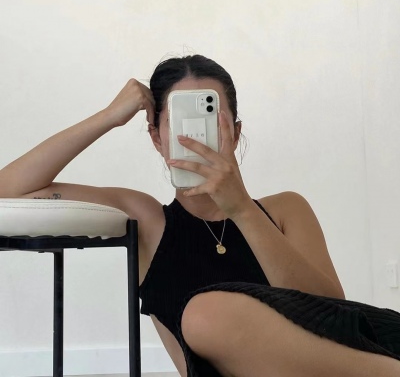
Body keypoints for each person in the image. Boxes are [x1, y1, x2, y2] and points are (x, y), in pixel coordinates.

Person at [0, 55, 399, 377]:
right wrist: (108, 116)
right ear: (157, 137)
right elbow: (8, 190)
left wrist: (241, 208)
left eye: (210, 120)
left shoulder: (285, 210)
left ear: (235, 133)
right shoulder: (148, 223)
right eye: (178, 125)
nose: (195, 138)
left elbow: (333, 319)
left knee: (209, 313)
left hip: (356, 360)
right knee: (205, 315)